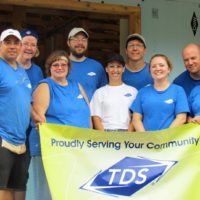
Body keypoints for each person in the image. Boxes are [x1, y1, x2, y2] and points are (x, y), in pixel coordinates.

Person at [28, 50, 91, 200]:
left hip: (78, 149)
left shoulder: (77, 86)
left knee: (72, 191)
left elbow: (87, 113)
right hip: (52, 149)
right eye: (55, 64)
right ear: (49, 68)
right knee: (48, 192)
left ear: (69, 67)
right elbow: (38, 119)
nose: (60, 67)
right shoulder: (45, 86)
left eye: (63, 64)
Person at [0, 29, 32, 200]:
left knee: (15, 188)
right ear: (0, 45)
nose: (12, 46)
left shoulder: (20, 70)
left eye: (15, 43)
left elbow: (25, 101)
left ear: (20, 46)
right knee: (2, 187)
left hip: (20, 140)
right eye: (7, 42)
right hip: (3, 138)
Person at [17, 29, 44, 200]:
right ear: (18, 45)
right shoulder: (7, 66)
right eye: (25, 43)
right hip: (9, 126)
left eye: (32, 45)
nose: (29, 47)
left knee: (22, 173)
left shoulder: (38, 71)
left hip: (30, 130)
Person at [130, 54, 189, 131]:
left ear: (169, 69)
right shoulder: (142, 92)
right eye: (154, 66)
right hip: (147, 141)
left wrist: (164, 137)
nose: (157, 68)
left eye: (161, 65)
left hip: (170, 140)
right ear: (150, 71)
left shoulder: (178, 90)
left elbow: (181, 118)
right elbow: (136, 118)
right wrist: (145, 137)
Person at [90, 53, 138, 132]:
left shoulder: (133, 91)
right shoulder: (99, 92)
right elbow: (96, 118)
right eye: (111, 66)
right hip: (106, 133)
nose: (115, 70)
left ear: (123, 69)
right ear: (106, 69)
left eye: (118, 66)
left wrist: (128, 136)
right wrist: (105, 138)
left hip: (127, 133)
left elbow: (135, 117)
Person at [67, 27, 107, 100]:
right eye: (75, 39)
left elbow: (104, 94)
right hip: (67, 111)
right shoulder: (61, 66)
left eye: (84, 39)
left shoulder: (96, 66)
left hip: (92, 111)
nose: (80, 43)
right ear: (68, 43)